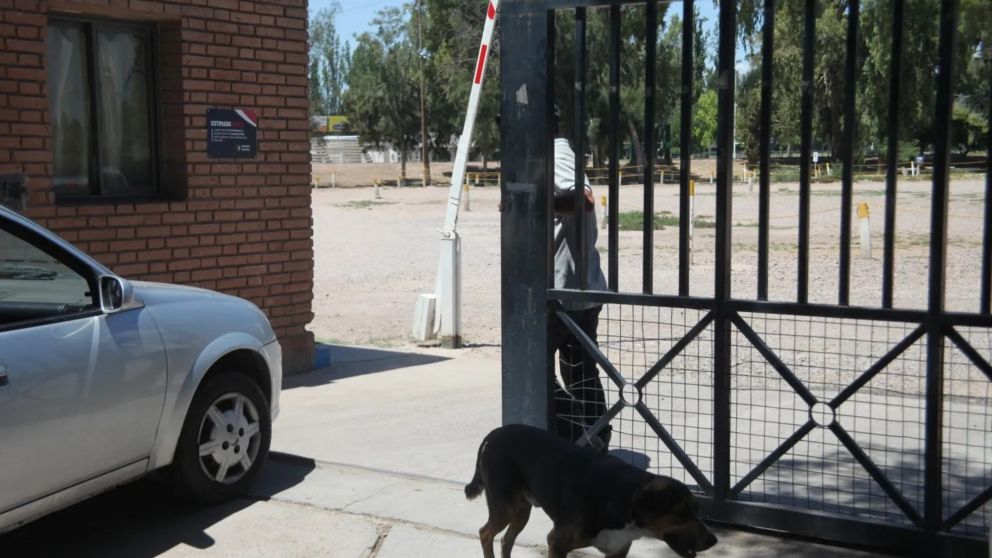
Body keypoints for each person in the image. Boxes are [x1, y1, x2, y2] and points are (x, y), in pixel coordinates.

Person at [550, 126, 612, 452]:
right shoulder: (560, 153)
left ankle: (579, 433)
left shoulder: (557, 152)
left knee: (533, 368)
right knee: (579, 370)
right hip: (577, 288)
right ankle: (594, 437)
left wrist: (533, 202)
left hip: (566, 291)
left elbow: (584, 200)